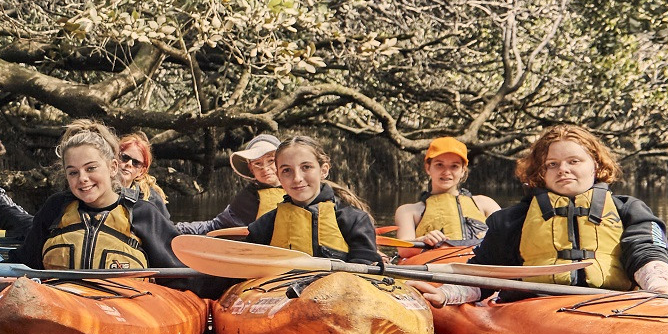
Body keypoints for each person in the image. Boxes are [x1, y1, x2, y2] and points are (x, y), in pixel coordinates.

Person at [433, 124, 668, 304]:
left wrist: (659, 286)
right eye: (552, 164)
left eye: (574, 161)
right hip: (531, 309)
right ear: (541, 172)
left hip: (611, 304)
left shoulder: (629, 210)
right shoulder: (511, 220)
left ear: (595, 165)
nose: (563, 170)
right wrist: (445, 295)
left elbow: (647, 252)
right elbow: (482, 274)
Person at [12, 121, 180, 271]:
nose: (82, 178)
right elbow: (25, 262)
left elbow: (181, 274)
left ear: (113, 167)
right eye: (73, 172)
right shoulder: (55, 208)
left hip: (121, 303)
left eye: (91, 168)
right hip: (62, 301)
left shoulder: (143, 213)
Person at [240, 135, 380, 263]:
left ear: (323, 170)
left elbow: (364, 272)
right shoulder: (265, 225)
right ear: (279, 176)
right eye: (287, 170)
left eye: (306, 167)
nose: (297, 179)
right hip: (281, 289)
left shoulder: (354, 220)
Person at [171, 132, 285, 236]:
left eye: (271, 161)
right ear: (251, 168)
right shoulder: (248, 198)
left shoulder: (298, 188)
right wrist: (175, 229)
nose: (265, 169)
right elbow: (215, 227)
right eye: (258, 163)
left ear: (281, 161)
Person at [392, 136, 498, 246]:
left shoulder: (486, 204)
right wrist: (423, 239)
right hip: (436, 261)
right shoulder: (408, 211)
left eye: (454, 166)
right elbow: (403, 249)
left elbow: (508, 237)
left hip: (479, 261)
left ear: (463, 170)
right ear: (428, 168)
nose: (447, 172)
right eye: (439, 165)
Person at [115, 133, 169, 206]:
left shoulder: (151, 200)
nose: (129, 164)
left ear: (141, 171)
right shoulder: (98, 188)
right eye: (125, 157)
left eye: (136, 163)